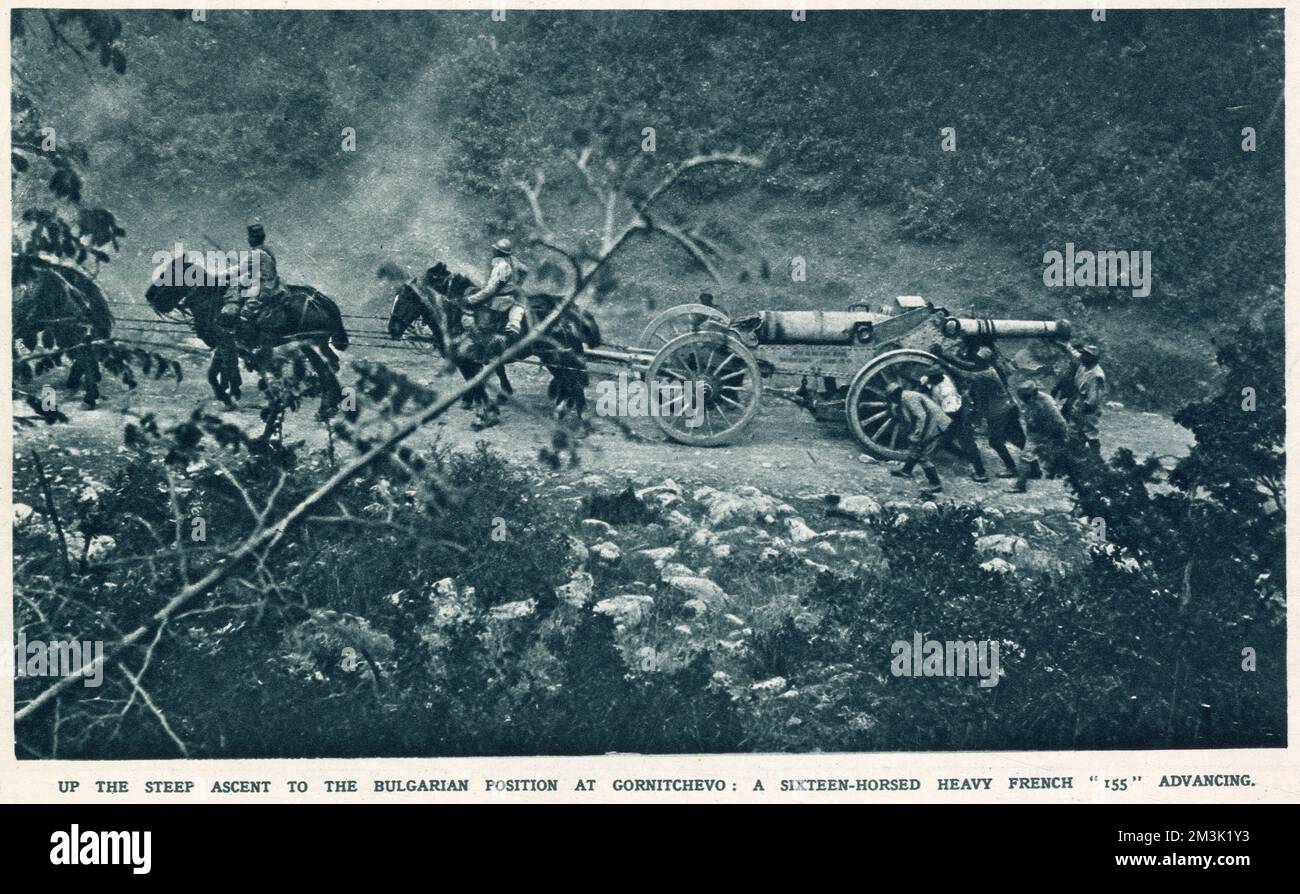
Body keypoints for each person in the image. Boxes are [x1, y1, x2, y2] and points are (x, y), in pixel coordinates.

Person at [934, 344, 1026, 479]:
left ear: (984, 361)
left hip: (999, 411)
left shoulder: (986, 373)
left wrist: (944, 363)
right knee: (1016, 438)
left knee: (996, 442)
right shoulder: (984, 367)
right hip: (1005, 407)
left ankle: (1012, 469)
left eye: (978, 360)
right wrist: (946, 356)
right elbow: (966, 364)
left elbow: (965, 374)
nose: (975, 362)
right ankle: (1033, 468)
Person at [460, 238, 529, 357]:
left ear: (497, 252)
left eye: (495, 250)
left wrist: (470, 299)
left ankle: (482, 348)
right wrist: (518, 284)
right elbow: (525, 270)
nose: (493, 252)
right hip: (512, 295)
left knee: (471, 314)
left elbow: (490, 290)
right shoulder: (513, 260)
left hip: (500, 300)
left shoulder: (501, 266)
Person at [921, 370, 988, 482]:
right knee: (945, 441)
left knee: (968, 444)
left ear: (937, 380)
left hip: (957, 417)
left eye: (931, 381)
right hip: (950, 415)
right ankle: (963, 455)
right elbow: (927, 385)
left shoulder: (947, 392)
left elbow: (951, 412)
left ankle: (981, 473)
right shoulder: (940, 378)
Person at [886, 382, 951, 495]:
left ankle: (936, 483)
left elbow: (921, 417)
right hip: (929, 423)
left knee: (923, 454)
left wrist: (917, 435)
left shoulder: (908, 398)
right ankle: (907, 470)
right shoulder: (902, 399)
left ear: (895, 395)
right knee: (916, 447)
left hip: (936, 424)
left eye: (892, 398)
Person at [220, 223, 284, 338]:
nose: (248, 239)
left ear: (253, 238)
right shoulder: (266, 250)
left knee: (244, 313)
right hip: (271, 285)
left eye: (250, 237)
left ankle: (249, 343)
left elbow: (238, 269)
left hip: (263, 289)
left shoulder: (257, 253)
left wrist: (216, 275)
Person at [1011, 380, 1069, 493]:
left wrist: (1064, 437)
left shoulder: (1047, 403)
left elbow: (1060, 422)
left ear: (1034, 393)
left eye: (1026, 397)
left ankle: (1021, 485)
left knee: (1031, 457)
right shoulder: (1028, 400)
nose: (1024, 400)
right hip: (1034, 433)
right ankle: (1033, 474)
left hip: (1049, 433)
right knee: (1027, 456)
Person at [1064, 343, 1106, 454]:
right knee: (1073, 432)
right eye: (1083, 354)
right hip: (1079, 403)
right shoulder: (1083, 365)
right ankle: (1077, 457)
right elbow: (1074, 354)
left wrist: (1085, 409)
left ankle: (1096, 459)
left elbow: (1094, 398)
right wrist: (1065, 344)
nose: (1083, 356)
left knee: (1090, 433)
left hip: (1089, 408)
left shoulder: (1097, 375)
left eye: (1087, 355)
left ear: (1093, 358)